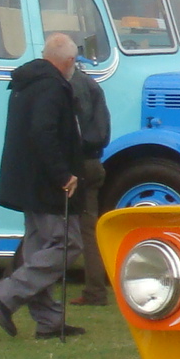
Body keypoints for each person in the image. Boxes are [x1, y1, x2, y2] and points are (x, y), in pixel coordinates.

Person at [0, 33, 86, 339]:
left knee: (39, 248)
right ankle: (5, 294)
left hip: (27, 181)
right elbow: (44, 132)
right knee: (67, 243)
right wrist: (63, 174)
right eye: (74, 62)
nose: (73, 67)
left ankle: (49, 322)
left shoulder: (27, 83)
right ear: (67, 61)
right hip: (46, 183)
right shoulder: (52, 86)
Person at [70, 58, 110, 305]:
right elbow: (102, 129)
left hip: (78, 163)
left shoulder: (68, 87)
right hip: (94, 162)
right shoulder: (93, 86)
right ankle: (96, 289)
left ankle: (13, 281)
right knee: (89, 230)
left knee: (41, 220)